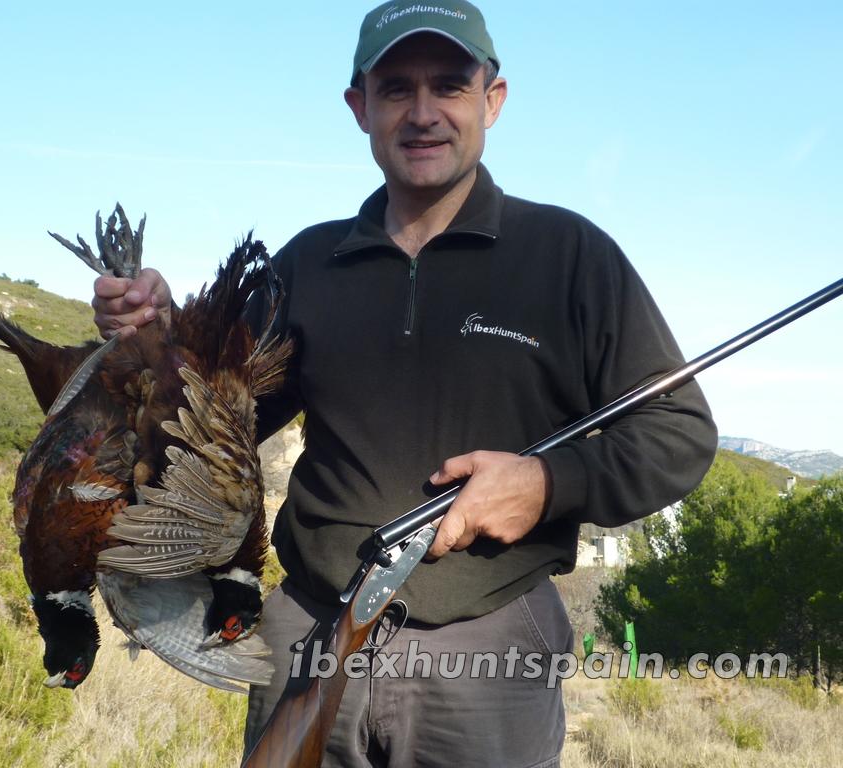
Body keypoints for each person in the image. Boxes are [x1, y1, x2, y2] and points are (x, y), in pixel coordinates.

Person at [92, 2, 718, 766]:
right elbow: (207, 426)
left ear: (492, 100)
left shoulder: (570, 255)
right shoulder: (306, 264)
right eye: (396, 89)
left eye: (449, 86)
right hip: (310, 630)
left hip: (491, 647)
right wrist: (153, 345)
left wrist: (546, 484)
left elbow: (679, 432)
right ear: (360, 107)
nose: (423, 114)